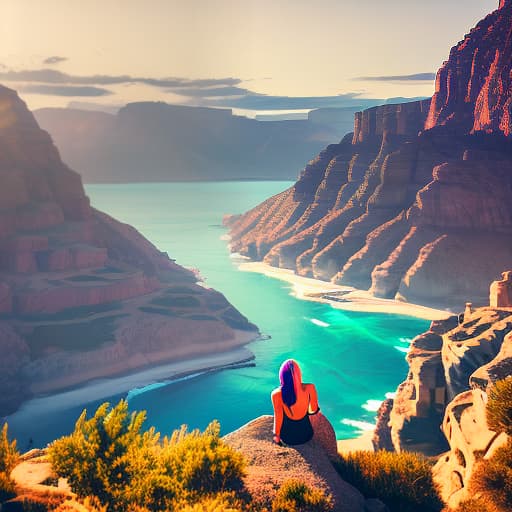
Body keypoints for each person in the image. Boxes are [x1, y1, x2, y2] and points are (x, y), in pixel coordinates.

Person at [271, 359, 320, 445]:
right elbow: (314, 409)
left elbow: (278, 418)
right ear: (299, 374)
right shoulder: (310, 388)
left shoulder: (276, 394)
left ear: (282, 376)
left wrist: (276, 437)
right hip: (307, 435)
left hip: (288, 438)